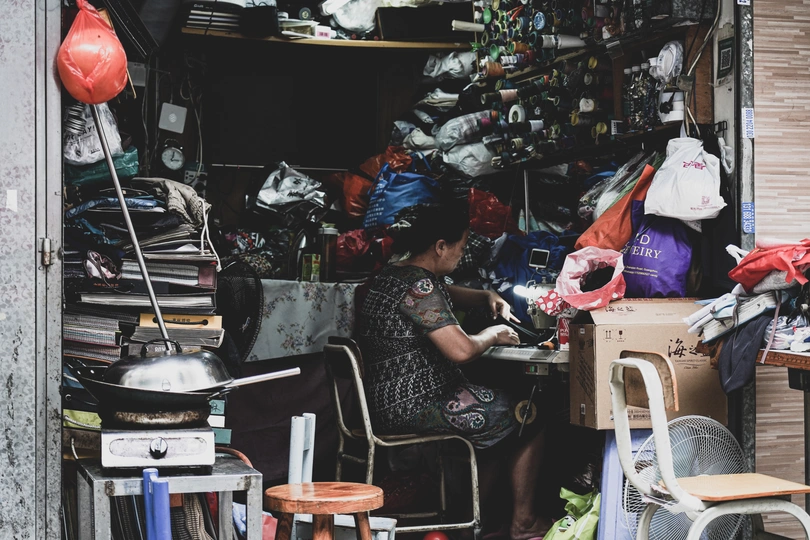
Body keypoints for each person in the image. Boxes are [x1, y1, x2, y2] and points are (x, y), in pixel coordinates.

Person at [355, 203, 553, 540]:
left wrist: (486, 296)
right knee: (528, 413)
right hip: (417, 406)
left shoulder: (392, 275)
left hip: (385, 402)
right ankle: (523, 522)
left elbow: (446, 295)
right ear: (440, 246)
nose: (462, 256)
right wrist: (493, 334)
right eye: (460, 247)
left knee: (500, 416)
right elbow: (461, 351)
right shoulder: (419, 286)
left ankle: (473, 520)